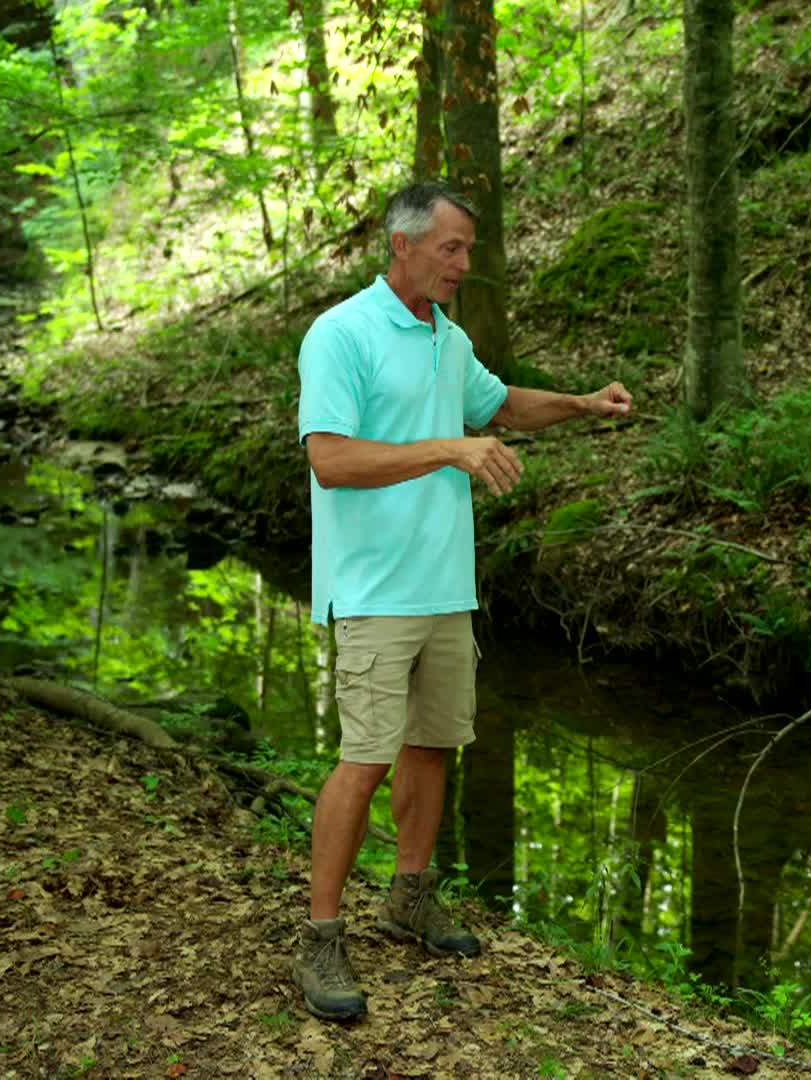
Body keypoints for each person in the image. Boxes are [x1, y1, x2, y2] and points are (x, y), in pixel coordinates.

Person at [291, 181, 632, 1022]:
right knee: (364, 760)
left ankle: (409, 896)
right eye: (452, 248)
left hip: (444, 586)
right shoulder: (342, 334)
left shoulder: (449, 339)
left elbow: (502, 406)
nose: (465, 265)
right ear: (402, 245)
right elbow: (330, 460)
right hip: (372, 587)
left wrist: (583, 404)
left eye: (469, 249)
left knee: (433, 746)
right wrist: (448, 448)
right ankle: (320, 936)